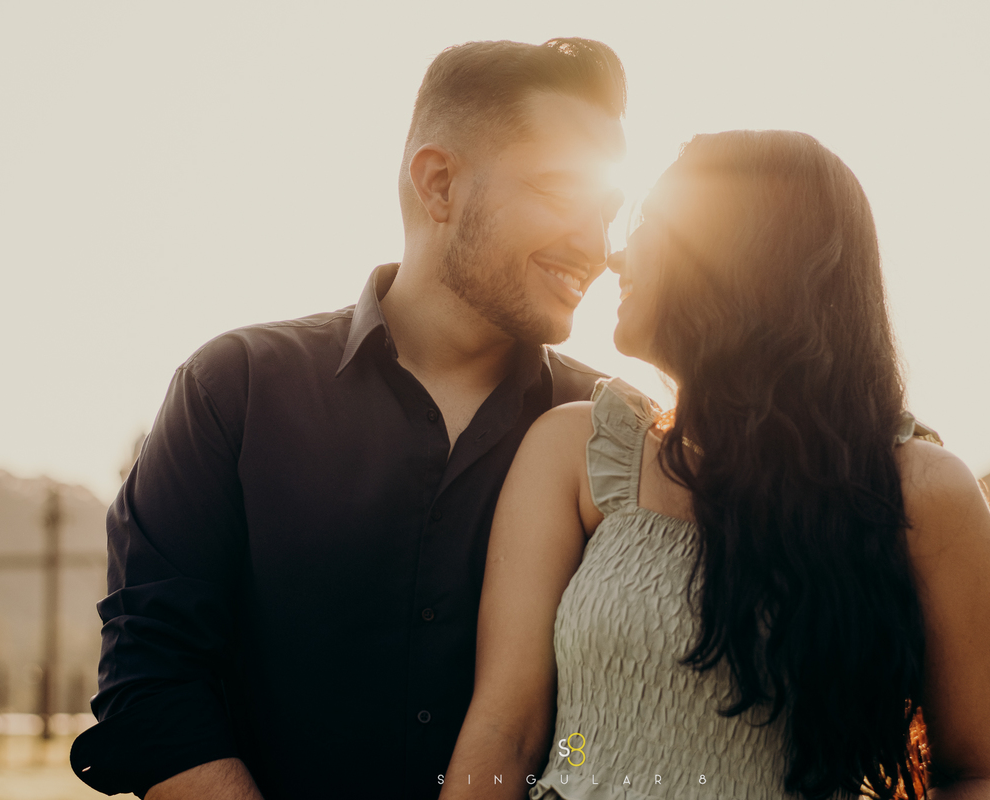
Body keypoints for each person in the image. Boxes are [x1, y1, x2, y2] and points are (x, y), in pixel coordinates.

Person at [69, 38, 627, 800]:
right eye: (564, 196)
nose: (597, 248)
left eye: (610, 215)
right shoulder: (231, 391)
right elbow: (153, 687)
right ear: (439, 184)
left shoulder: (612, 441)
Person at [439, 130, 990, 800]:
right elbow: (507, 731)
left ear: (734, 253)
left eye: (649, 222)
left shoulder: (921, 494)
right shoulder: (578, 451)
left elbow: (970, 773)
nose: (616, 254)